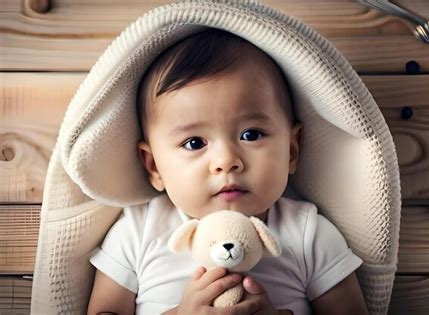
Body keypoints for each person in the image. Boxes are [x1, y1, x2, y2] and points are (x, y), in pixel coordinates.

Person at [87, 27, 368, 315]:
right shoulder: (139, 231)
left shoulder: (309, 234)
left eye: (251, 135)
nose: (227, 161)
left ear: (291, 151)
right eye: (194, 143)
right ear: (154, 166)